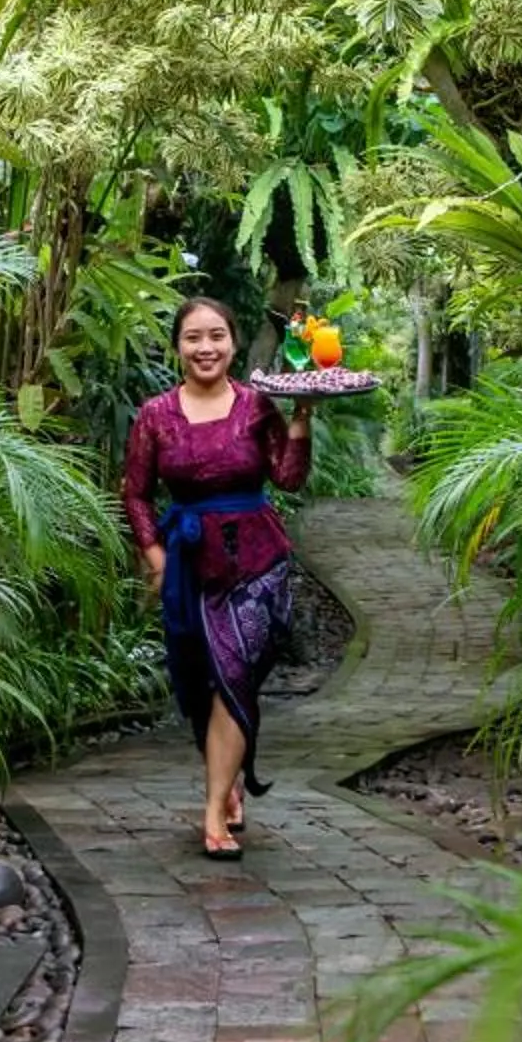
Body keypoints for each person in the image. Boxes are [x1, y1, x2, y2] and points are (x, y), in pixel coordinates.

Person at [122, 296, 312, 859]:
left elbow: (288, 478)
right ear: (178, 346)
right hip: (188, 562)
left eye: (216, 336)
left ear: (232, 343)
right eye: (193, 338)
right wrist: (155, 554)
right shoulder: (156, 415)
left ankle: (211, 815)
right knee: (201, 681)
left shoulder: (256, 407)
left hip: (257, 560)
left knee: (234, 678)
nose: (205, 347)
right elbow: (134, 492)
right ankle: (226, 785)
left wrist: (302, 419)